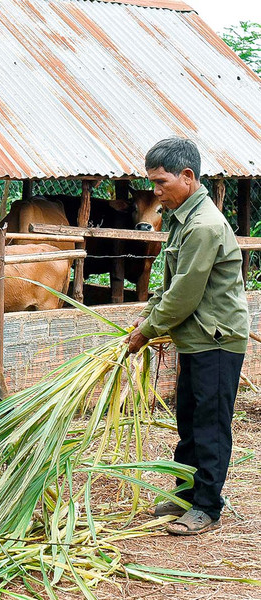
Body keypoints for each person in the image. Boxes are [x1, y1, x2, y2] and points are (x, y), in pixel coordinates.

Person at [126, 137, 249, 535]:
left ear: (188, 176)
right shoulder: (182, 219)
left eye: (161, 183)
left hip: (217, 339)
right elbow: (169, 283)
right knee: (190, 422)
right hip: (196, 338)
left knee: (211, 425)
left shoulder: (204, 225)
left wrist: (147, 331)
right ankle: (186, 495)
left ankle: (208, 506)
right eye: (153, 183)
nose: (156, 192)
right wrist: (146, 316)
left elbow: (185, 294)